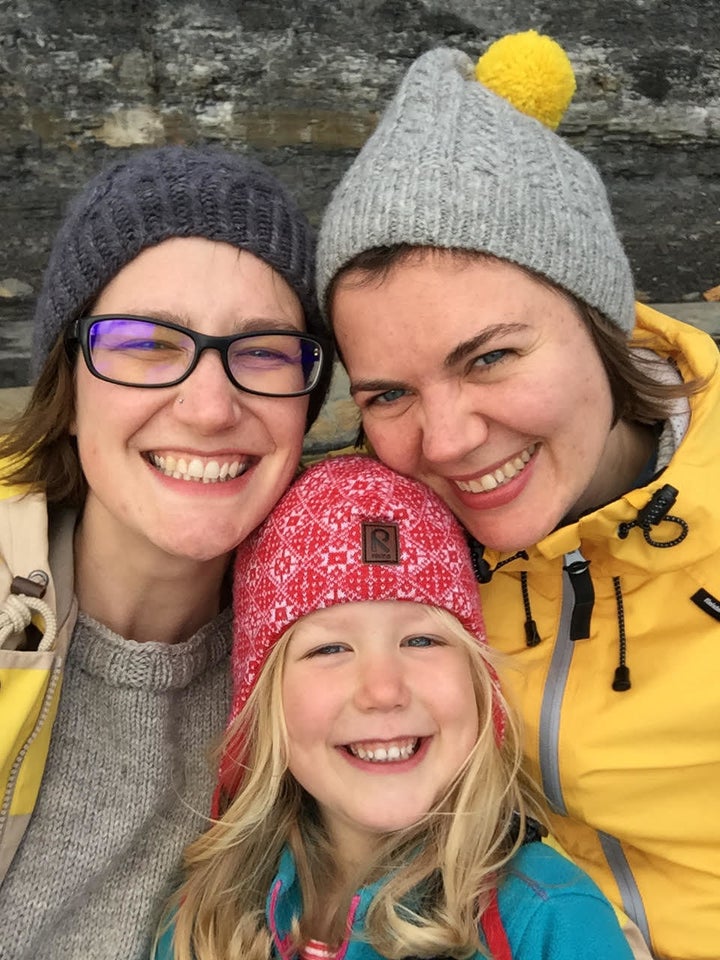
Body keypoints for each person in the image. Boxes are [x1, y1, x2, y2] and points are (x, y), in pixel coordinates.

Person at [315, 30, 720, 960]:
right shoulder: (380, 546)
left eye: (490, 357)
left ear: (602, 320)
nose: (449, 441)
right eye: (388, 394)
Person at [0, 145, 331, 960]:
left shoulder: (339, 645)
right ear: (66, 388)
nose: (211, 407)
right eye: (147, 342)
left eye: (261, 351)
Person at [155, 454, 633, 960]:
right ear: (261, 701)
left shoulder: (553, 921)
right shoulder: (206, 921)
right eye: (330, 649)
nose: (383, 690)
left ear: (478, 681)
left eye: (423, 640)